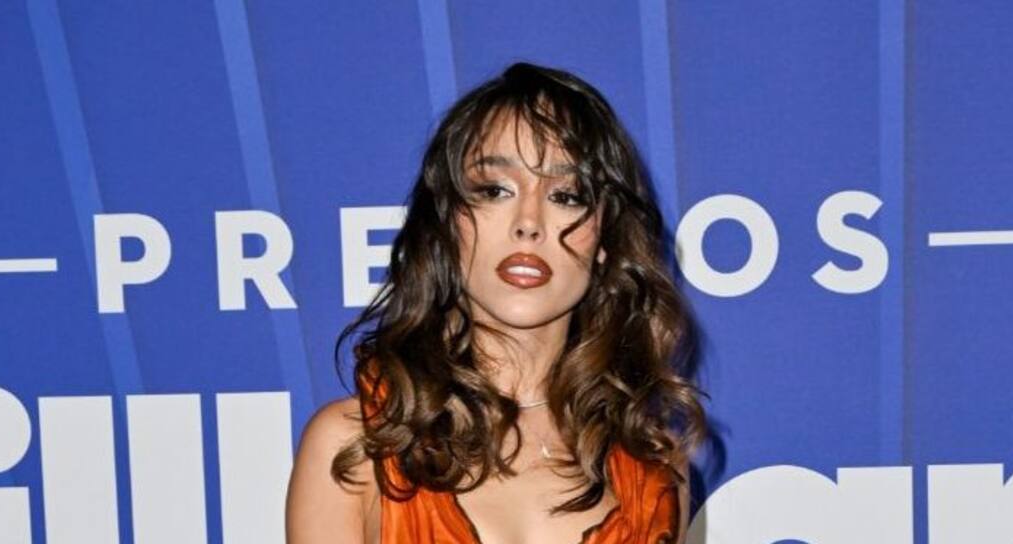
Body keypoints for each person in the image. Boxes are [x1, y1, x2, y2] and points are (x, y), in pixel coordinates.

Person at [286, 61, 707, 544]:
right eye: (494, 190)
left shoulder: (652, 462)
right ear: (447, 223)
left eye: (567, 196)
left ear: (605, 239)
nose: (528, 222)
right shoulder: (355, 446)